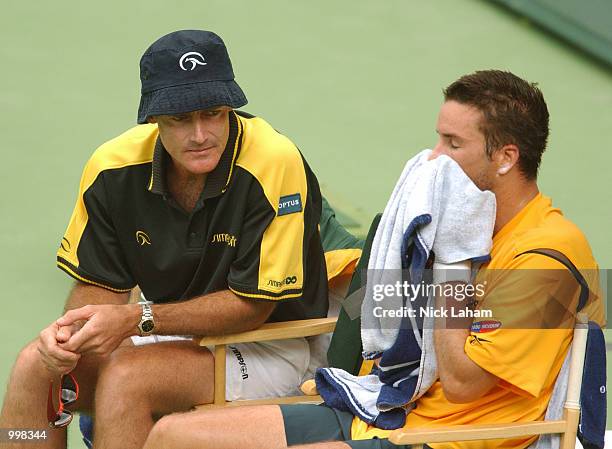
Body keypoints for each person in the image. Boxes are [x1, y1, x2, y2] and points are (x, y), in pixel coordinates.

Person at [139, 70, 604, 449]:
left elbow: (464, 385)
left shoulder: (549, 256)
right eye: (437, 139)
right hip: (385, 411)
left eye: (452, 144)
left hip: (450, 439)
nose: (432, 159)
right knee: (173, 436)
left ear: (505, 158)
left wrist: (452, 269)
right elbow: (379, 333)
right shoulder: (442, 228)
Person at [0, 29, 338, 449]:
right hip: (165, 334)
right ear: (153, 118)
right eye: (180, 119)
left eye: (213, 113)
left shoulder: (275, 161)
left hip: (266, 345)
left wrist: (137, 320)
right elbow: (101, 284)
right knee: (36, 365)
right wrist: (73, 333)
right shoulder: (112, 169)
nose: (200, 135)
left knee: (130, 377)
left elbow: (253, 307)